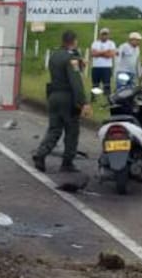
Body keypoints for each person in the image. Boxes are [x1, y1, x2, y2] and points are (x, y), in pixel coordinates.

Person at [32, 30, 88, 173]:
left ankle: (41, 154)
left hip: (53, 96)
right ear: (74, 41)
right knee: (72, 130)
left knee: (54, 129)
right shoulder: (72, 59)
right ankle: (67, 162)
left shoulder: (54, 55)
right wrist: (83, 102)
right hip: (67, 98)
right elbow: (75, 82)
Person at [90, 28, 117, 98]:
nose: (104, 36)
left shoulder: (111, 43)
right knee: (95, 84)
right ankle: (94, 98)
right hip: (96, 67)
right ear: (100, 35)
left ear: (108, 35)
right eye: (103, 34)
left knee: (107, 84)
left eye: (106, 34)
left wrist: (98, 53)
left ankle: (108, 97)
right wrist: (105, 52)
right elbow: (93, 54)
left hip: (107, 67)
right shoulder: (95, 43)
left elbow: (111, 55)